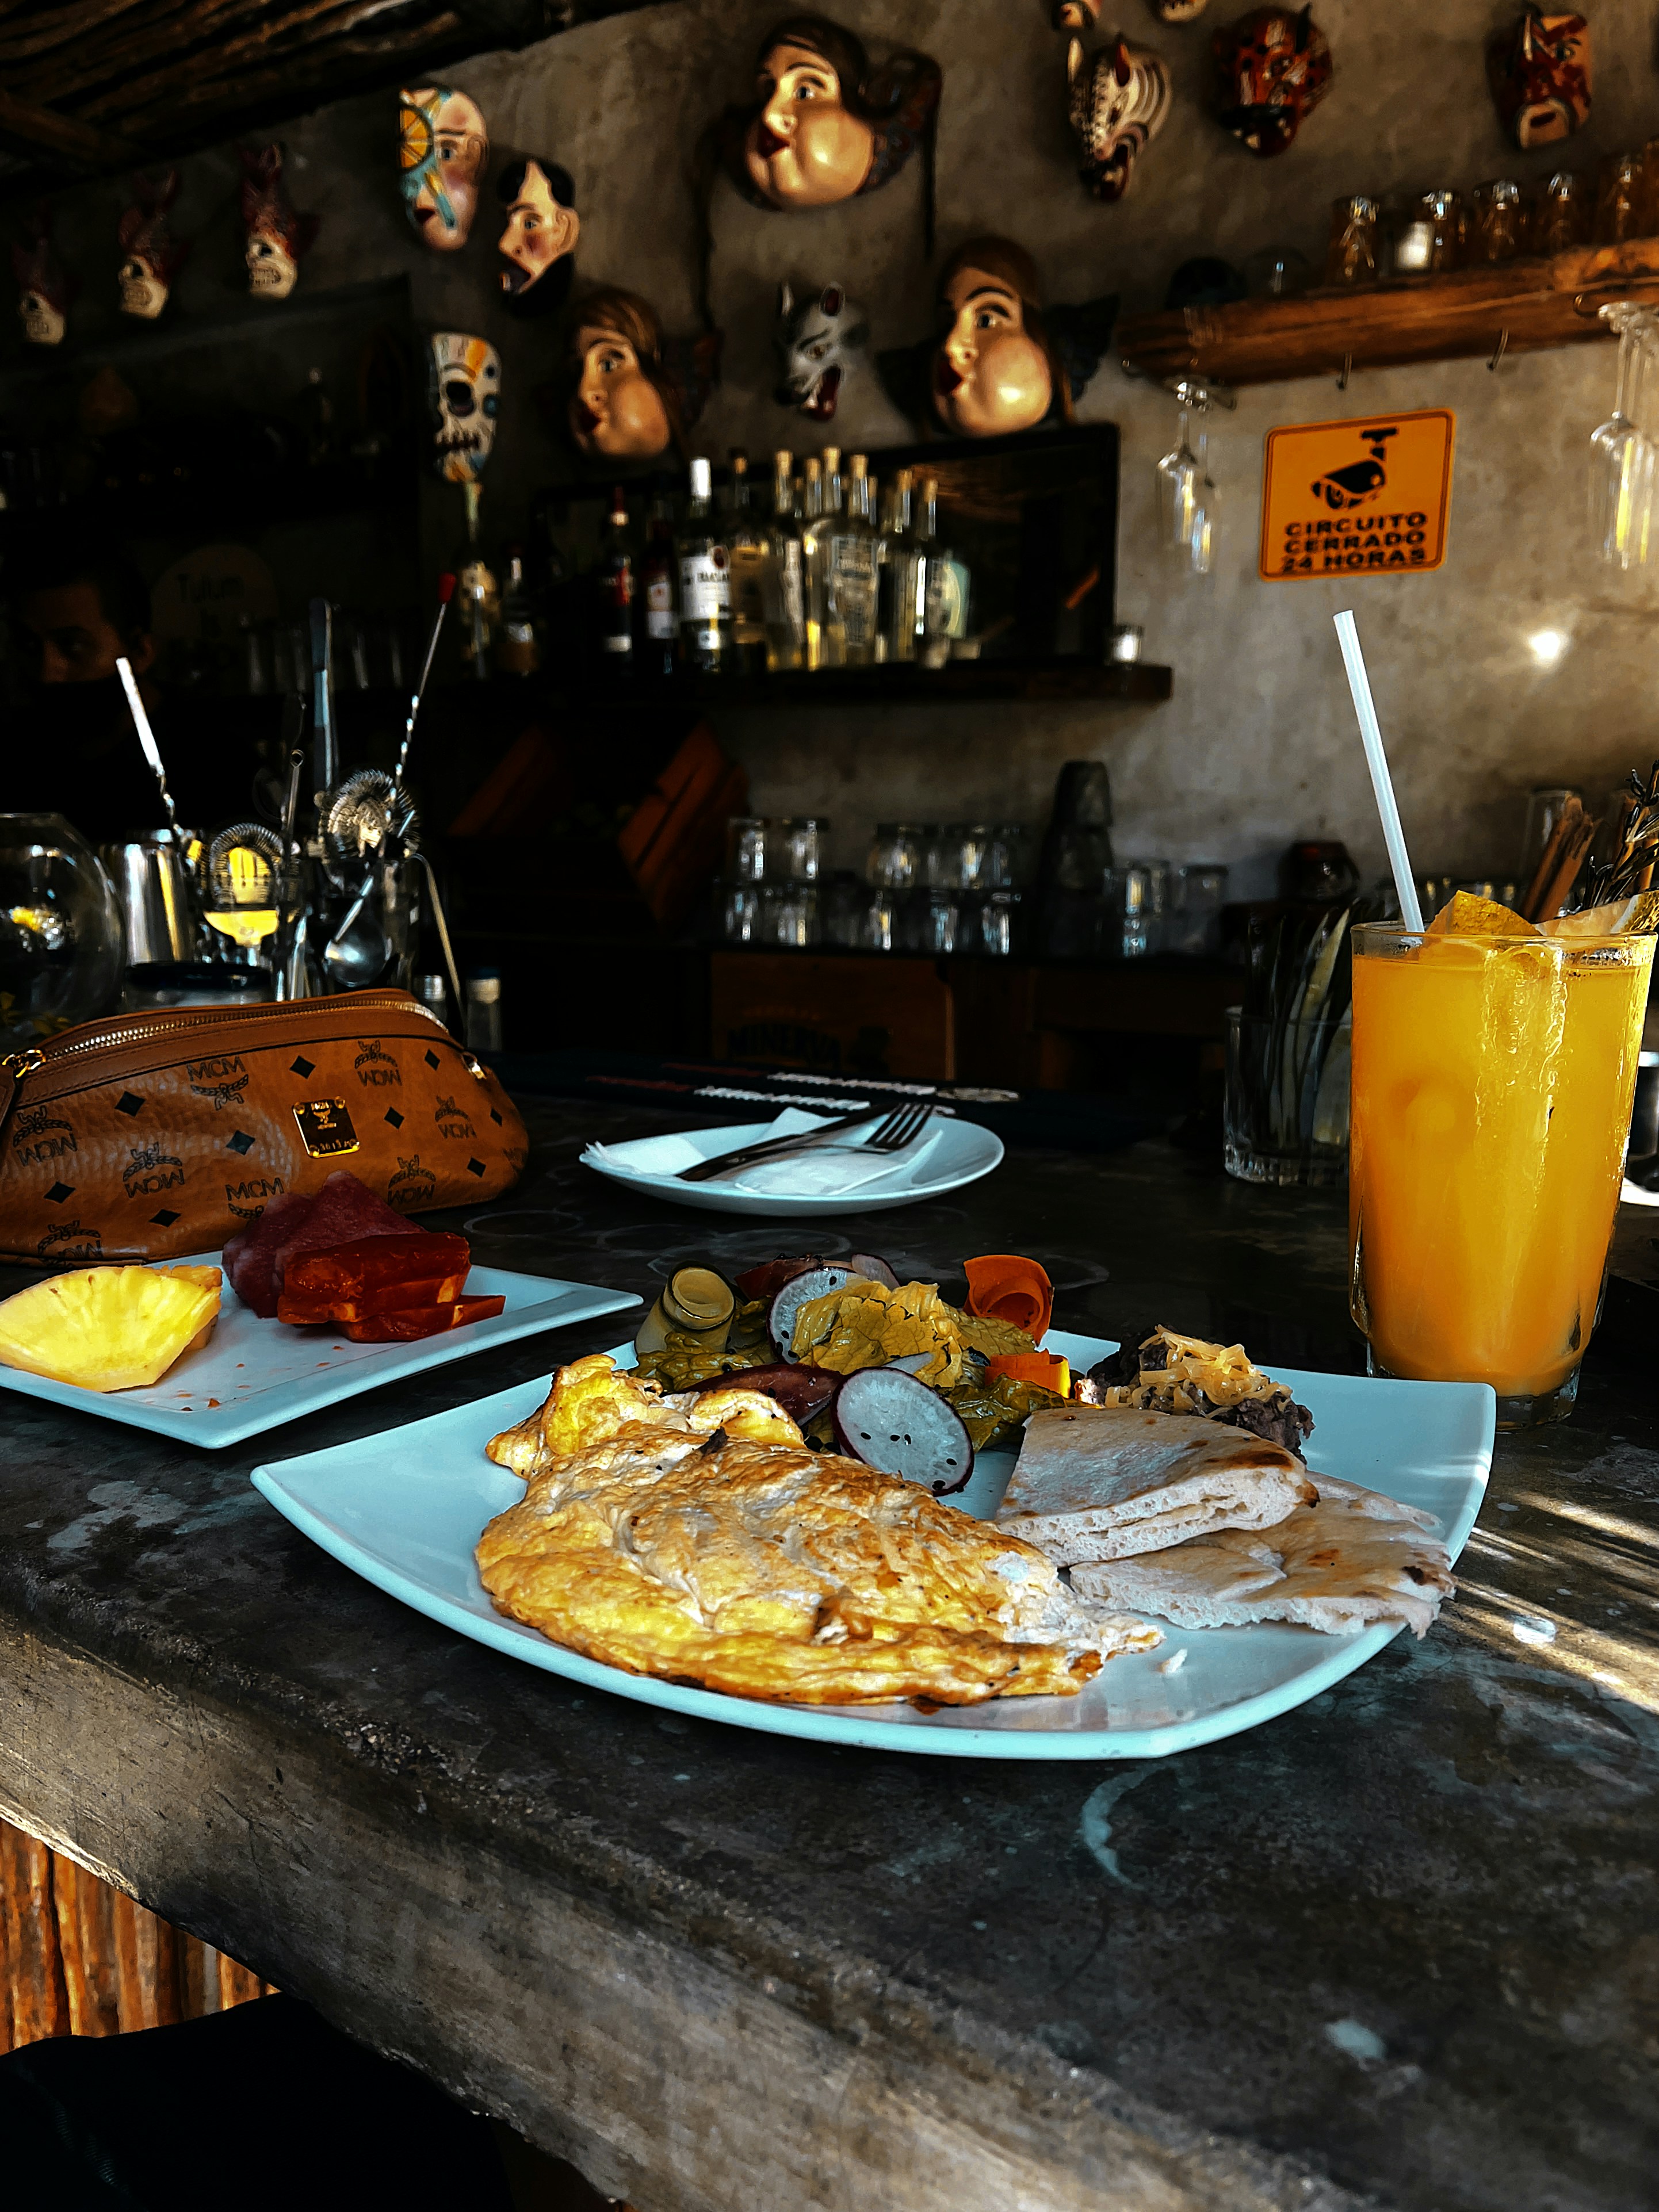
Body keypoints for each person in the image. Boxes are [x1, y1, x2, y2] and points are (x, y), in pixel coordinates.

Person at [4, 537, 247, 841]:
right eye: (29, 645)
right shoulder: (20, 763)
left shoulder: (218, 768)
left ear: (141, 652)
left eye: (73, 645)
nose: (47, 672)